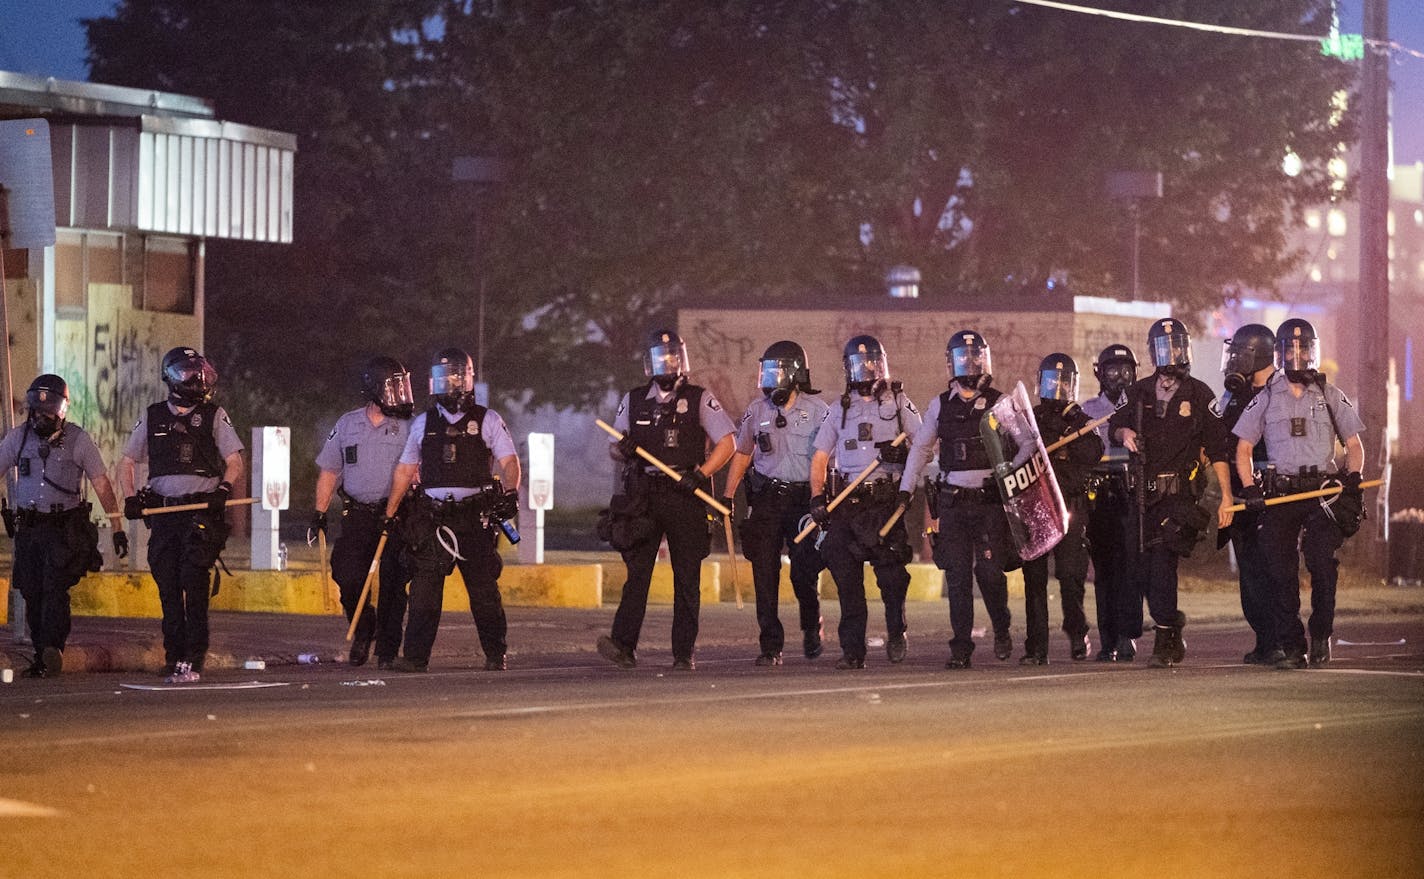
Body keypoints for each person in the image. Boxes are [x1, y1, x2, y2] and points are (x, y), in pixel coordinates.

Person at [597, 329, 736, 671]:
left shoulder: (700, 398)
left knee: (686, 575)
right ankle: (623, 645)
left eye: (673, 357)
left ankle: (683, 653)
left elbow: (728, 443)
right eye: (661, 358)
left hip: (685, 492)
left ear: (682, 360)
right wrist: (623, 449)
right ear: (650, 363)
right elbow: (614, 447)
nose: (668, 363)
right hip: (644, 494)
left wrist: (701, 474)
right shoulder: (633, 399)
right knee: (638, 573)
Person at [1231, 318, 1366, 669]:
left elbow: (1354, 445)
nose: (1296, 354)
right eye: (1289, 348)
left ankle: (1321, 632)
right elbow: (1243, 447)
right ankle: (1293, 647)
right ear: (1279, 353)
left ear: (1312, 351)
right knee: (1278, 569)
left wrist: (1354, 477)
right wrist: (1248, 488)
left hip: (1323, 493)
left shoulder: (1330, 395)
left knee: (1321, 561)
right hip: (1282, 494)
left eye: (1303, 348)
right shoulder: (1264, 398)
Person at [383, 347, 520, 672]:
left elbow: (510, 462)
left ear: (469, 380)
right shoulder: (422, 424)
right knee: (424, 591)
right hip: (433, 518)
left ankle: (494, 653)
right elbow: (405, 470)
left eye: (458, 377)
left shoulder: (488, 419)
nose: (452, 384)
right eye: (445, 378)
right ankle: (415, 658)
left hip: (474, 518)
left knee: (484, 590)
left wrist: (511, 492)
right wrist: (390, 513)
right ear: (434, 383)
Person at [1109, 319, 1234, 668]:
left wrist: (1225, 496)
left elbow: (1219, 450)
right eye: (1165, 349)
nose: (1173, 355)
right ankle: (1170, 624)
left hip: (1178, 499)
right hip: (1142, 497)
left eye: (1178, 347)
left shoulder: (1200, 394)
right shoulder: (1138, 392)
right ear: (1153, 354)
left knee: (1163, 566)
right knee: (1142, 572)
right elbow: (1113, 426)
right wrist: (1124, 434)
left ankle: (1164, 638)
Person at [120, 347, 244, 684]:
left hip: (200, 513)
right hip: (164, 512)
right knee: (168, 586)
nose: (197, 379)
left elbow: (234, 461)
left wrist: (223, 490)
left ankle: (194, 655)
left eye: (199, 373)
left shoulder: (214, 415)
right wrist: (131, 498)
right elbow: (127, 462)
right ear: (172, 378)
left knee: (195, 582)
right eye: (189, 373)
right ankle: (173, 654)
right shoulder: (153, 415)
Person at [0, 375, 127, 677]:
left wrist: (117, 526)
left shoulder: (78, 440)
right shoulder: (18, 439)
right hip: (29, 528)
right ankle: (41, 651)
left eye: (48, 413)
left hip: (63, 529)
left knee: (55, 590)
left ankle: (52, 649)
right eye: (36, 412)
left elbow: (101, 484)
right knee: (31, 590)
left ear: (61, 411)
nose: (41, 418)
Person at [897, 330, 1010, 669]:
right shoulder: (939, 405)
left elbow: (1026, 442)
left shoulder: (1000, 402)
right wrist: (906, 488)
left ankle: (1002, 628)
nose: (971, 363)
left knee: (990, 573)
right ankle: (961, 648)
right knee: (958, 576)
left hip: (990, 501)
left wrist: (1010, 473)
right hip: (955, 503)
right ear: (952, 362)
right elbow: (921, 448)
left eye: (976, 356)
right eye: (964, 357)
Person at [811, 334, 922, 670]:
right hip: (848, 503)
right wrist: (817, 496)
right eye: (860, 365)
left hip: (885, 501)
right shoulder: (837, 410)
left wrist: (902, 454)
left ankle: (896, 632)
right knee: (846, 578)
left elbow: (923, 447)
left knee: (890, 577)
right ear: (849, 369)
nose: (867, 370)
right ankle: (852, 650)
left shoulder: (900, 404)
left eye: (873, 362)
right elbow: (819, 457)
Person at [723, 341, 829, 666]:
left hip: (803, 501)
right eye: (767, 370)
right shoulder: (756, 410)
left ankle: (812, 626)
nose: (771, 378)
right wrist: (728, 496)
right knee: (764, 572)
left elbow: (829, 457)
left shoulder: (819, 410)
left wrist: (822, 499)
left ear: (795, 373)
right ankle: (771, 645)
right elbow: (743, 453)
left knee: (803, 573)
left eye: (778, 371)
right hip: (767, 498)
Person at [311, 356, 416, 668]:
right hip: (357, 515)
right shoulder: (347, 424)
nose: (400, 393)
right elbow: (330, 471)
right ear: (374, 389)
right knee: (346, 572)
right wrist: (319, 513)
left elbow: (417, 470)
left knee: (394, 585)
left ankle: (386, 651)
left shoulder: (409, 427)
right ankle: (363, 628)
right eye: (393, 387)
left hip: (397, 515)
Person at [1019, 354, 1102, 665]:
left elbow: (1092, 452)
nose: (1057, 388)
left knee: (1070, 575)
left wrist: (1067, 437)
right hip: (1036, 506)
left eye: (1063, 382)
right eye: (1052, 382)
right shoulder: (1030, 417)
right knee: (1035, 577)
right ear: (1042, 383)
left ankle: (1077, 631)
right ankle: (1036, 646)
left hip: (1069, 504)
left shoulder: (1080, 420)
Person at [1214, 324, 1277, 664]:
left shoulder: (1281, 392)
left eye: (1241, 352)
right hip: (1241, 496)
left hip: (1272, 495)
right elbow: (1221, 435)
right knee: (1250, 572)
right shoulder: (1234, 393)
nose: (1235, 358)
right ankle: (1264, 638)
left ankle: (1282, 637)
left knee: (1273, 568)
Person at [1080, 344, 1137, 661]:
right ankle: (1108, 639)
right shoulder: (1087, 411)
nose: (1120, 377)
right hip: (1101, 494)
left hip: (1132, 492)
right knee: (1103, 571)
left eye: (1126, 370)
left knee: (1130, 568)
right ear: (1099, 373)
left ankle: (1128, 635)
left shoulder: (1141, 407)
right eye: (1112, 370)